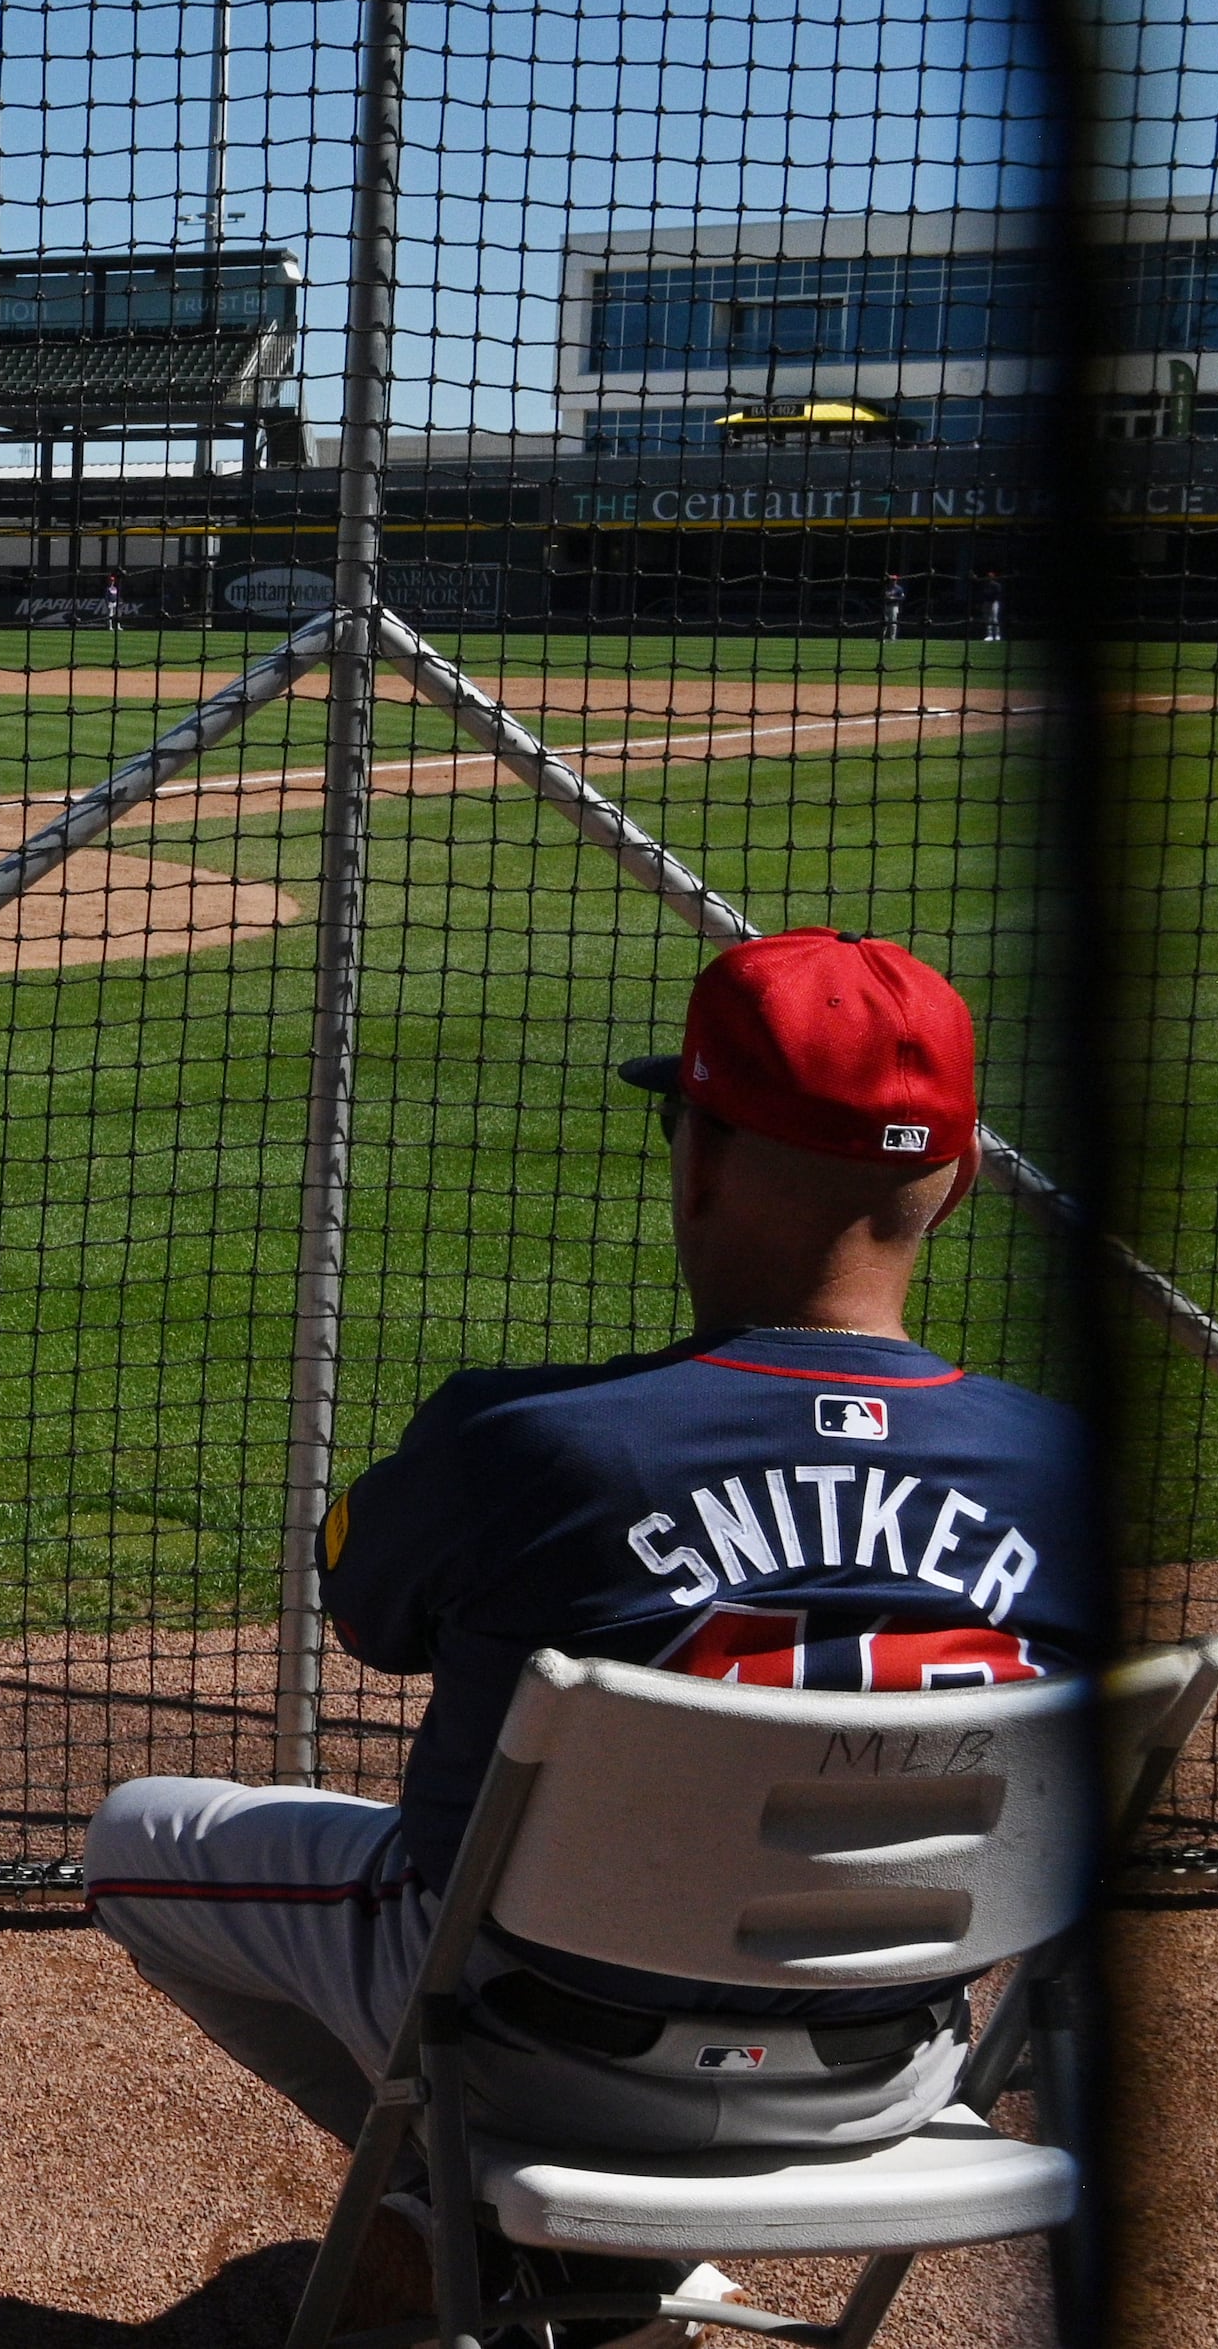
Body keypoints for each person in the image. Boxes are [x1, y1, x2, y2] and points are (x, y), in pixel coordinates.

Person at [83, 930, 1089, 2340]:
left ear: (698, 1161)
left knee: (135, 1841)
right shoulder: (1071, 1470)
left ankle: (464, 2198)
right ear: (966, 1177)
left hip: (529, 2061)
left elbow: (368, 1614)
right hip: (894, 2072)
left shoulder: (533, 1443)